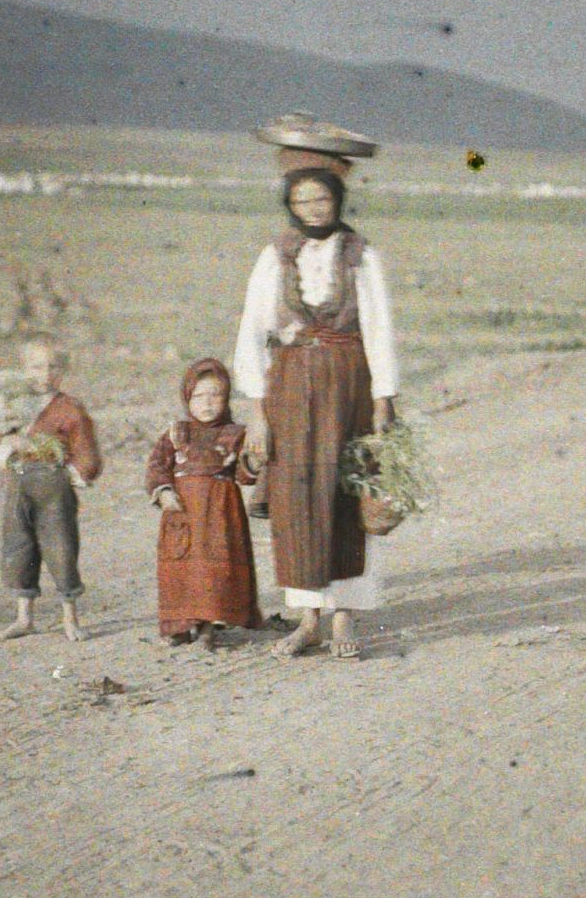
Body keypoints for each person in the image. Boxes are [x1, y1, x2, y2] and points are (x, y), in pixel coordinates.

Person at [233, 147, 398, 660]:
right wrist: (257, 412)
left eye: (321, 197)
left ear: (337, 197)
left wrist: (383, 401)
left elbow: (380, 330)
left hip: (349, 386)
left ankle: (344, 617)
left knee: (347, 495)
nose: (312, 208)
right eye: (301, 199)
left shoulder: (360, 255)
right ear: (290, 203)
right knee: (296, 499)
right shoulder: (275, 255)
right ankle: (307, 619)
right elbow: (251, 333)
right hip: (289, 389)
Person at [0, 335, 102, 641]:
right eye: (35, 367)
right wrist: (6, 443)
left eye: (52, 367)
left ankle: (70, 617)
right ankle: (24, 617)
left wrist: (69, 470)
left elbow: (86, 450)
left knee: (60, 547)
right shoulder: (11, 403)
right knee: (19, 546)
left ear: (63, 370)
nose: (44, 375)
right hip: (19, 482)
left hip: (53, 486)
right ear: (23, 368)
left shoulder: (70, 408)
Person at [144, 358, 263, 648]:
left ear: (226, 398)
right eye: (199, 396)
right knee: (179, 568)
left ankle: (208, 628)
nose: (207, 403)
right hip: (181, 510)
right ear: (187, 397)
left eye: (215, 395)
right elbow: (157, 465)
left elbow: (244, 476)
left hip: (219, 512)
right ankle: (180, 626)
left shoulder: (235, 434)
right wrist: (163, 491)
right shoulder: (176, 433)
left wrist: (253, 462)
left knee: (212, 569)